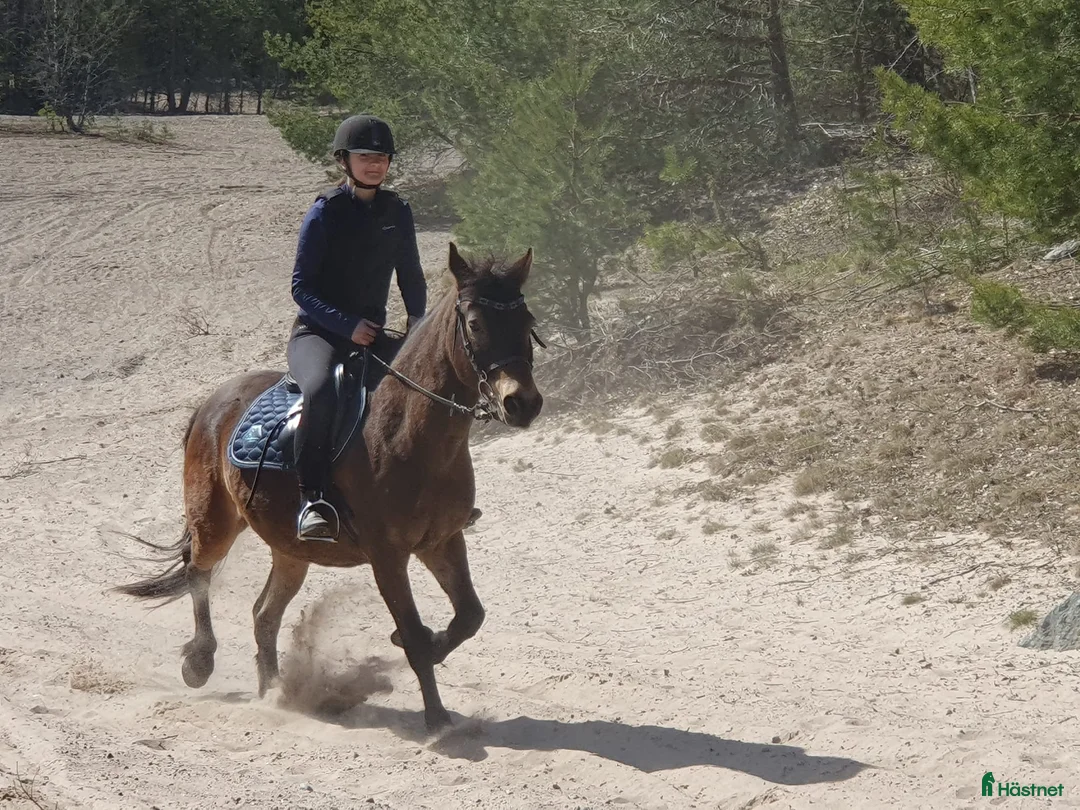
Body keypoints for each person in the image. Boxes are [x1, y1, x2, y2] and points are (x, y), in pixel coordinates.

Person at [287, 113, 426, 542]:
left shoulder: (397, 211)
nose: (375, 164)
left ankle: (432, 492)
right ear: (344, 161)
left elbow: (412, 276)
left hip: (374, 336)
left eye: (381, 157)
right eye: (365, 156)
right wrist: (347, 326)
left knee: (425, 391)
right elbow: (301, 287)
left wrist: (417, 325)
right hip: (318, 335)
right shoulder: (324, 213)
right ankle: (314, 499)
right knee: (322, 391)